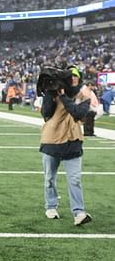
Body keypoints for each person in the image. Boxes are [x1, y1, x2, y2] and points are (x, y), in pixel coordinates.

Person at [39, 65, 92, 225]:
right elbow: (46, 113)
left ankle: (79, 212)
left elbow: (78, 113)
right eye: (70, 76)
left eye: (75, 75)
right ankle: (51, 205)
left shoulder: (84, 95)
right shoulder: (52, 92)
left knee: (75, 179)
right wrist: (49, 93)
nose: (73, 79)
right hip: (52, 139)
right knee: (49, 178)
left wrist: (63, 96)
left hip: (73, 140)